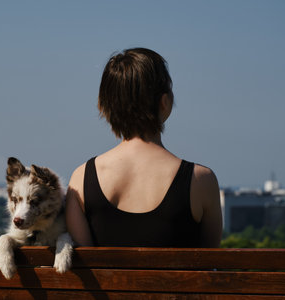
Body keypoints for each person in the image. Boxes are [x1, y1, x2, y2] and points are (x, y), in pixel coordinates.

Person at [65, 48, 222, 247]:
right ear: (164, 103)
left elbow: (85, 269)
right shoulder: (201, 181)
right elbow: (209, 264)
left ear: (104, 107)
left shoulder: (80, 179)